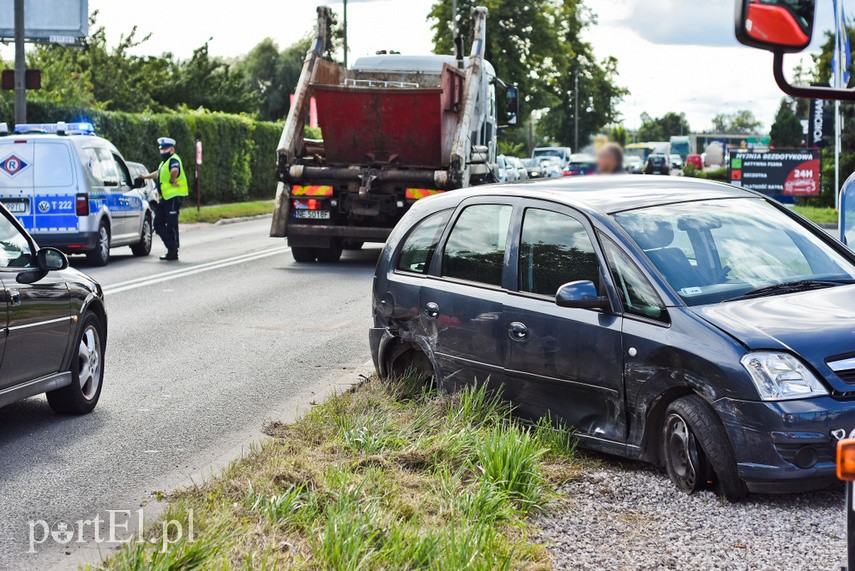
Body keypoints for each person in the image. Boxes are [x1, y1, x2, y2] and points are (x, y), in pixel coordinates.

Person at [137, 137, 188, 261]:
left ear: (172, 149)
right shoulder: (164, 163)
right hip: (165, 198)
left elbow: (175, 170)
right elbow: (158, 173)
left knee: (171, 224)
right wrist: (145, 177)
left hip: (173, 197)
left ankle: (173, 250)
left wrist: (172, 180)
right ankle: (171, 246)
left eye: (165, 149)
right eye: (161, 149)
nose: (163, 151)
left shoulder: (174, 159)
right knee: (158, 223)